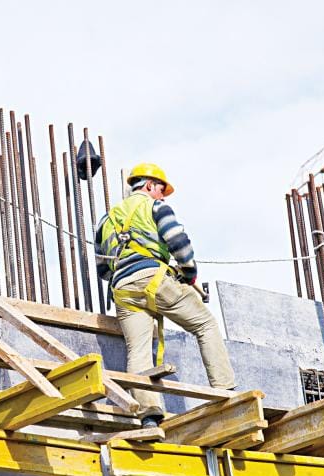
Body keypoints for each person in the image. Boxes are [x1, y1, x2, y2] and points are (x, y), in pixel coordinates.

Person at [95, 163, 236, 427]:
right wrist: (189, 272)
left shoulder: (106, 220)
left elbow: (103, 269)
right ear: (149, 185)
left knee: (138, 350)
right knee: (205, 324)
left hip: (123, 290)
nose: (163, 197)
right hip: (154, 279)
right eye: (161, 190)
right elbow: (178, 242)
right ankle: (226, 391)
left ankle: (149, 415)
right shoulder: (155, 207)